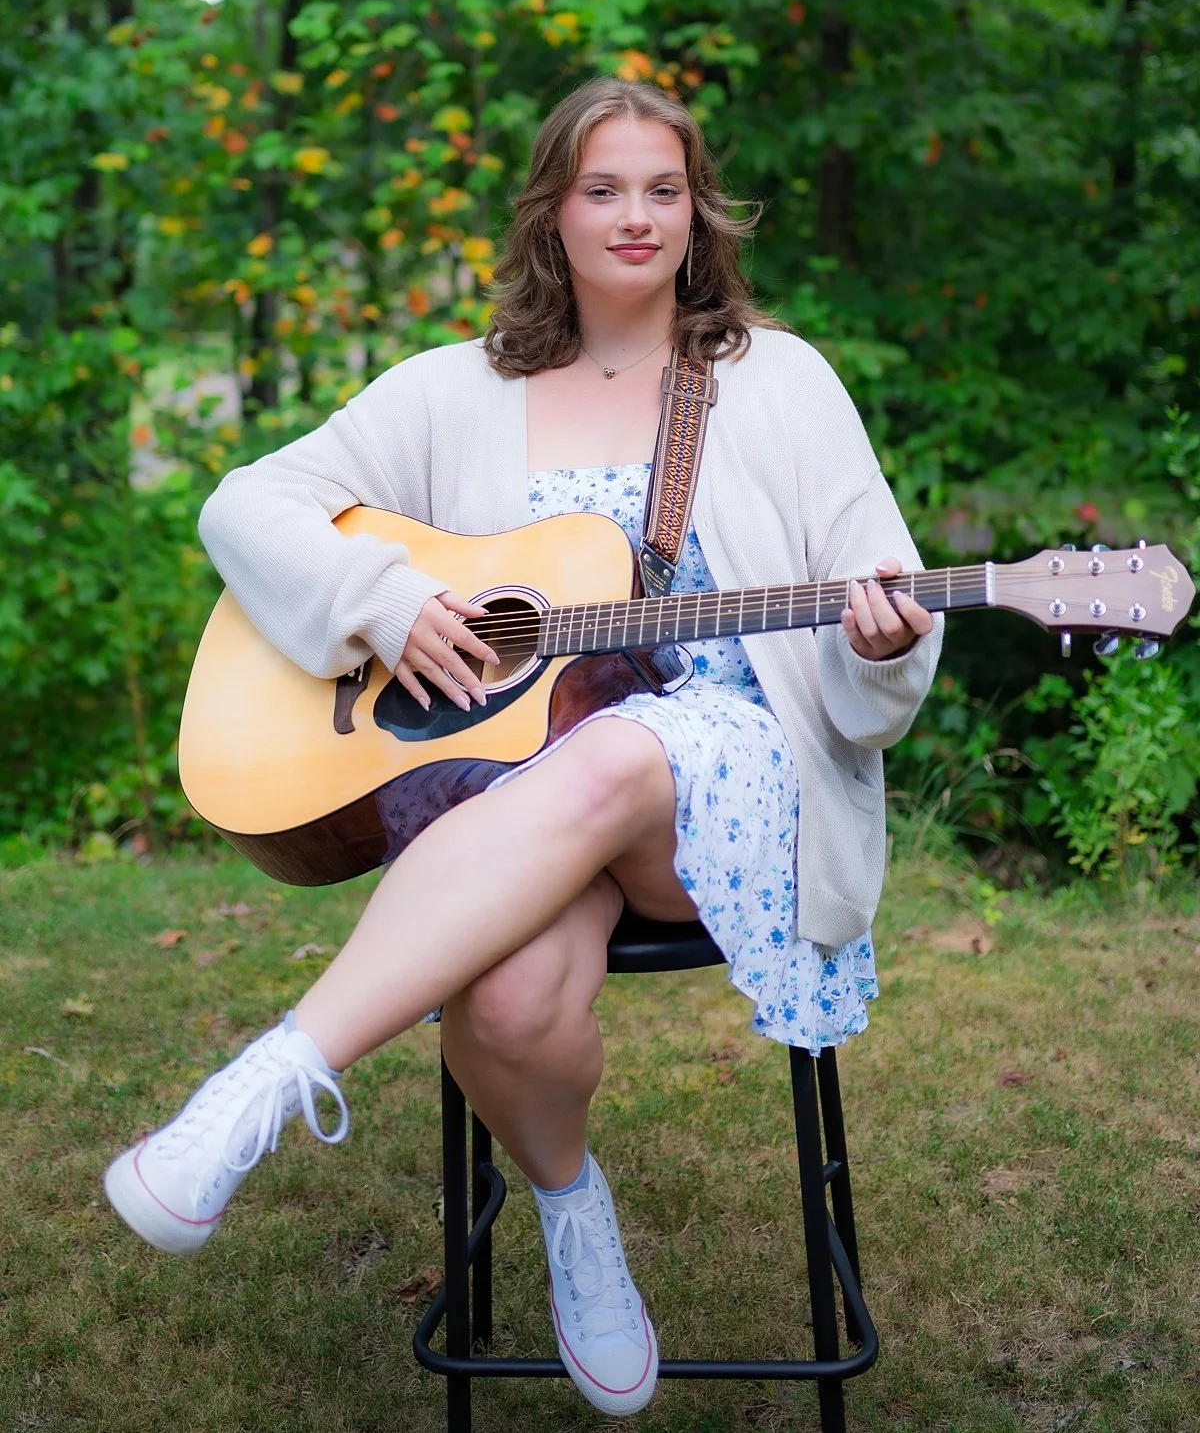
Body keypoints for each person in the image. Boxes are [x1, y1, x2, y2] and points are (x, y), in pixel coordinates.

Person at [104, 76, 942, 1418]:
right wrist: (382, 601)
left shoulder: (776, 383)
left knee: (618, 756)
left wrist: (886, 643)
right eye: (604, 189)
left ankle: (264, 1087)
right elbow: (242, 503)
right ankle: (572, 1212)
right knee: (502, 1002)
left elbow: (871, 587)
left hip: (725, 784)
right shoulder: (455, 393)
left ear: (700, 212)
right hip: (524, 798)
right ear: (552, 209)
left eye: (663, 190)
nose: (637, 218)